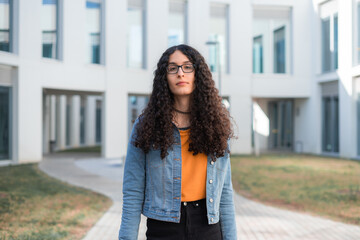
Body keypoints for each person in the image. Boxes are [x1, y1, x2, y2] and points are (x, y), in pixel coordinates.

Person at [118, 44, 237, 240]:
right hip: (163, 229)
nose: (180, 73)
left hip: (208, 227)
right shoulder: (145, 126)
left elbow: (225, 192)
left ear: (198, 74)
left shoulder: (216, 125)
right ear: (164, 77)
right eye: (173, 68)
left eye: (187, 67)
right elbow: (133, 192)